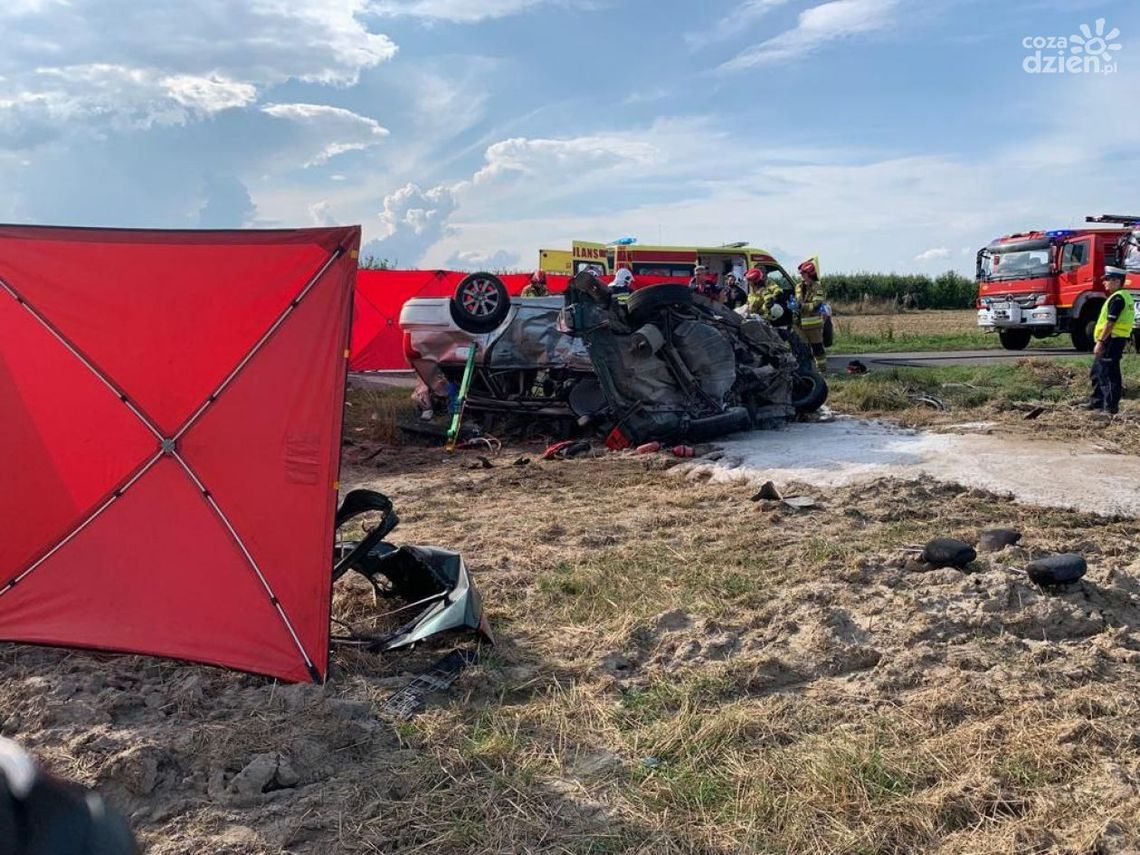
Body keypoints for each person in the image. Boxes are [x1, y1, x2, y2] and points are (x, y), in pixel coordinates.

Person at [1087, 266, 1136, 414]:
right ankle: (1096, 403)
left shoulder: (1118, 298)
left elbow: (1110, 323)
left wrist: (1100, 342)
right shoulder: (1122, 296)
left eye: (1107, 279)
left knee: (1108, 374)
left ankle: (1110, 408)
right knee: (1097, 372)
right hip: (1112, 339)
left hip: (1111, 340)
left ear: (1117, 281)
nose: (1104, 282)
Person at [795, 257, 828, 373]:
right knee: (803, 350)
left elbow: (816, 305)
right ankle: (807, 371)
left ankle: (822, 370)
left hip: (813, 325)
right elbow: (797, 301)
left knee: (817, 349)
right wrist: (793, 306)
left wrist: (801, 306)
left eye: (803, 273)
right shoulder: (798, 287)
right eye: (801, 273)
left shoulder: (817, 288)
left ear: (810, 274)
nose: (801, 276)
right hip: (799, 324)